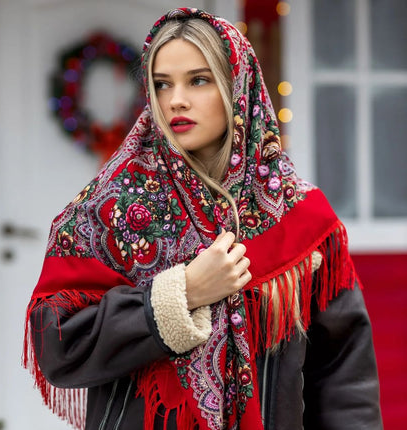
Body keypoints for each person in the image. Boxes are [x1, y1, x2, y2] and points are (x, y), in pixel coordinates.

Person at [23, 8, 383, 430]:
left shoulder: (300, 218)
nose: (176, 99)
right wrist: (181, 294)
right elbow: (57, 347)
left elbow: (342, 378)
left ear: (237, 86)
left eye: (198, 79)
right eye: (161, 84)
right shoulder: (107, 211)